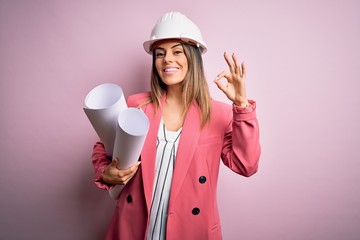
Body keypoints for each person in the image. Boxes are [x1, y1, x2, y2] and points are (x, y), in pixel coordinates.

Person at [92, 11, 261, 240]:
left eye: (177, 52)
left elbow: (246, 165)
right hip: (135, 228)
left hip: (191, 231)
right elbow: (105, 145)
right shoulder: (136, 105)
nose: (167, 60)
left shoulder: (220, 114)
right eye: (160, 54)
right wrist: (106, 173)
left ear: (193, 57)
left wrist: (241, 105)